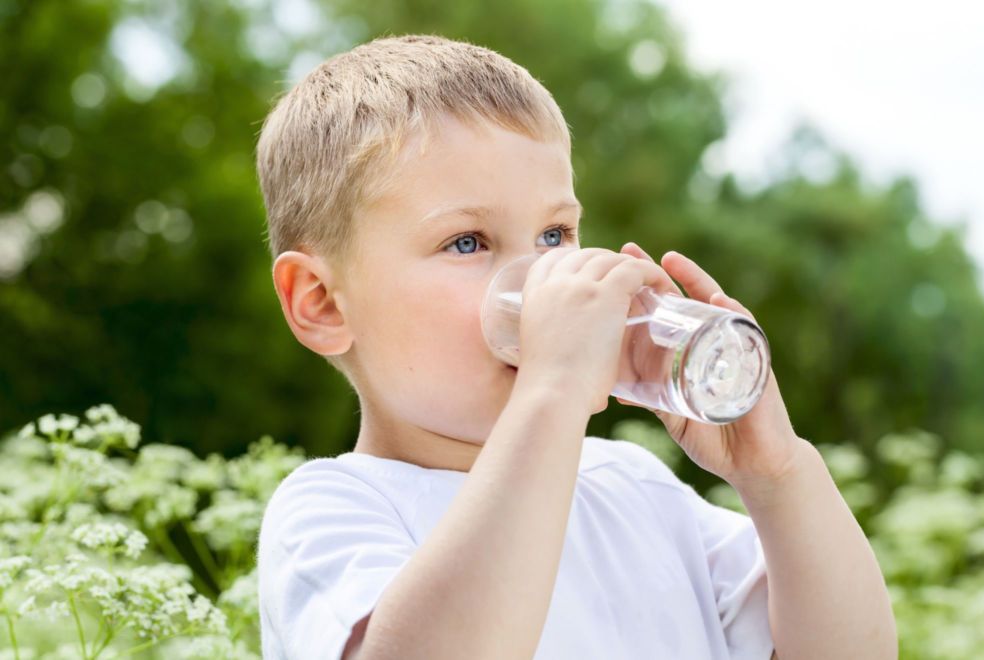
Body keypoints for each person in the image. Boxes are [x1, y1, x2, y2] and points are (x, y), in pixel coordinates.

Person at [253, 34, 897, 659]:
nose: (539, 279)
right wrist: (552, 391)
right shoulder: (333, 510)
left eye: (555, 235)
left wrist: (777, 475)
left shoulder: (632, 487)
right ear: (323, 303)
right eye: (468, 242)